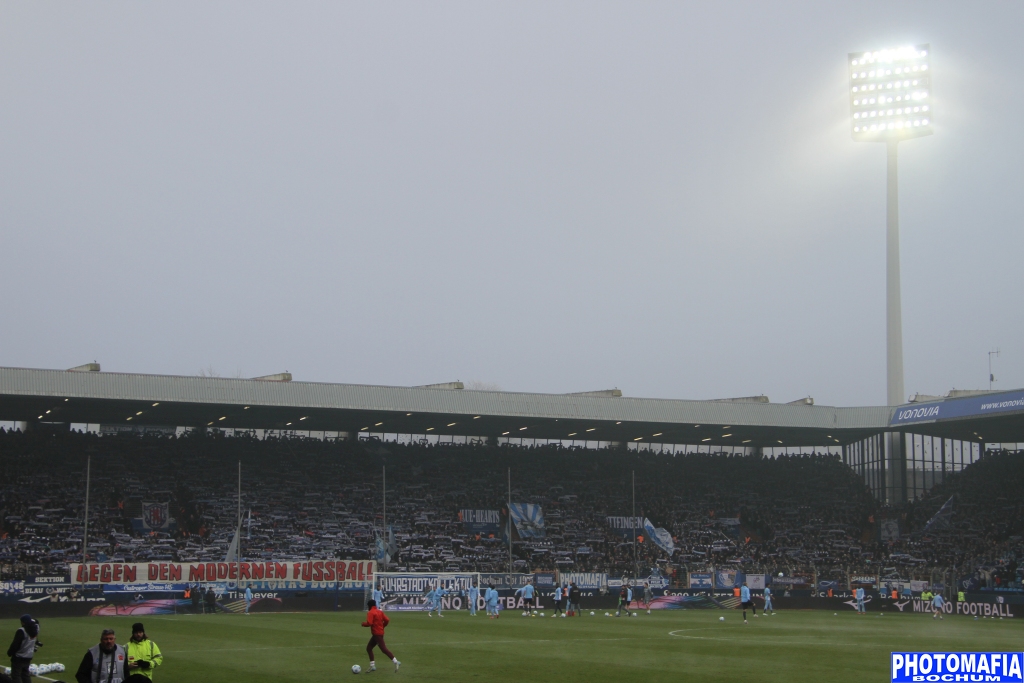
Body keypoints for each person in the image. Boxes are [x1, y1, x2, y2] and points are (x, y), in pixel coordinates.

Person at [361, 599, 400, 673]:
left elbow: (369, 623)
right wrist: (382, 626)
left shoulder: (370, 612)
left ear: (369, 606)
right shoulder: (380, 611)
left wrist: (363, 624)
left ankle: (395, 661)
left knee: (383, 649)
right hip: (379, 633)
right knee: (369, 648)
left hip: (376, 634)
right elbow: (387, 620)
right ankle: (372, 666)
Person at [7, 615, 40, 683]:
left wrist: (10, 652)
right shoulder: (35, 630)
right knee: (25, 675)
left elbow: (15, 644)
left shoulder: (22, 631)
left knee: (16, 675)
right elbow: (37, 623)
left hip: (19, 656)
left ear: (23, 622)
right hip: (29, 656)